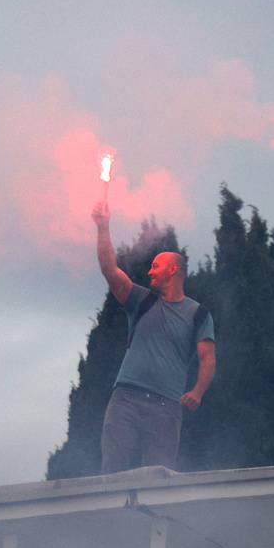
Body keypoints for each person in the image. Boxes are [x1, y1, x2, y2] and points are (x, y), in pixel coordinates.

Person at [91, 201, 216, 472]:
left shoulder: (198, 314)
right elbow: (110, 270)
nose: (149, 271)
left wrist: (198, 391)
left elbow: (208, 358)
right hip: (126, 398)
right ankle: (112, 516)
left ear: (173, 270)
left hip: (165, 407)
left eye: (156, 266)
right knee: (113, 472)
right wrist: (103, 227)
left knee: (158, 481)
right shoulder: (140, 300)